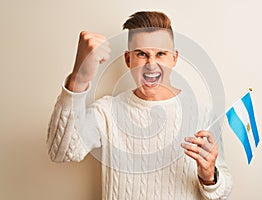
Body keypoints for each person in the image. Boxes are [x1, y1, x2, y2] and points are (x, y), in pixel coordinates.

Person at [47, 11, 232, 199]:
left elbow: (222, 193)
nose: (151, 64)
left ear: (174, 58)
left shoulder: (203, 113)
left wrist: (209, 176)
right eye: (142, 54)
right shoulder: (107, 111)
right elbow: (61, 152)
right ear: (128, 59)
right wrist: (79, 78)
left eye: (160, 54)